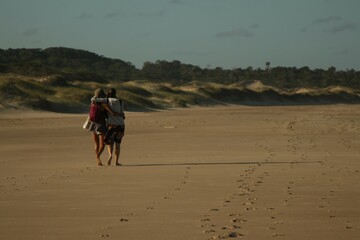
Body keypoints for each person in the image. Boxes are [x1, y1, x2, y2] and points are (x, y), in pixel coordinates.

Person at [89, 88, 119, 166]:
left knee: (96, 144)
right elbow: (112, 113)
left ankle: (97, 159)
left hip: (92, 124)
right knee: (103, 144)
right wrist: (119, 114)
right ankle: (98, 158)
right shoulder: (103, 103)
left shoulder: (92, 102)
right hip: (101, 124)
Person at [104, 88, 126, 166]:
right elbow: (122, 113)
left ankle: (110, 156)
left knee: (110, 143)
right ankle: (116, 162)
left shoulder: (106, 101)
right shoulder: (120, 101)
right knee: (118, 143)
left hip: (111, 124)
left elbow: (93, 99)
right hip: (120, 124)